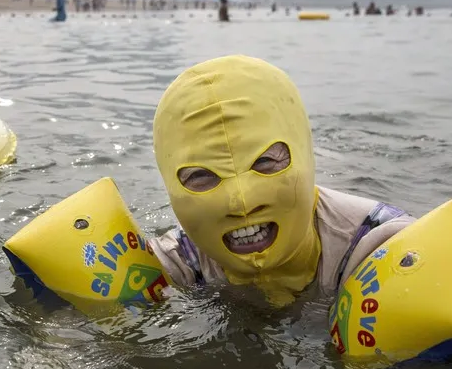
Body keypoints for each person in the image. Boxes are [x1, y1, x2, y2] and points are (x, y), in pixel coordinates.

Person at [149, 55, 415, 308]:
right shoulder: (178, 261)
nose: (242, 202)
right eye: (201, 176)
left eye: (264, 162)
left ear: (304, 155)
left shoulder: (376, 242)